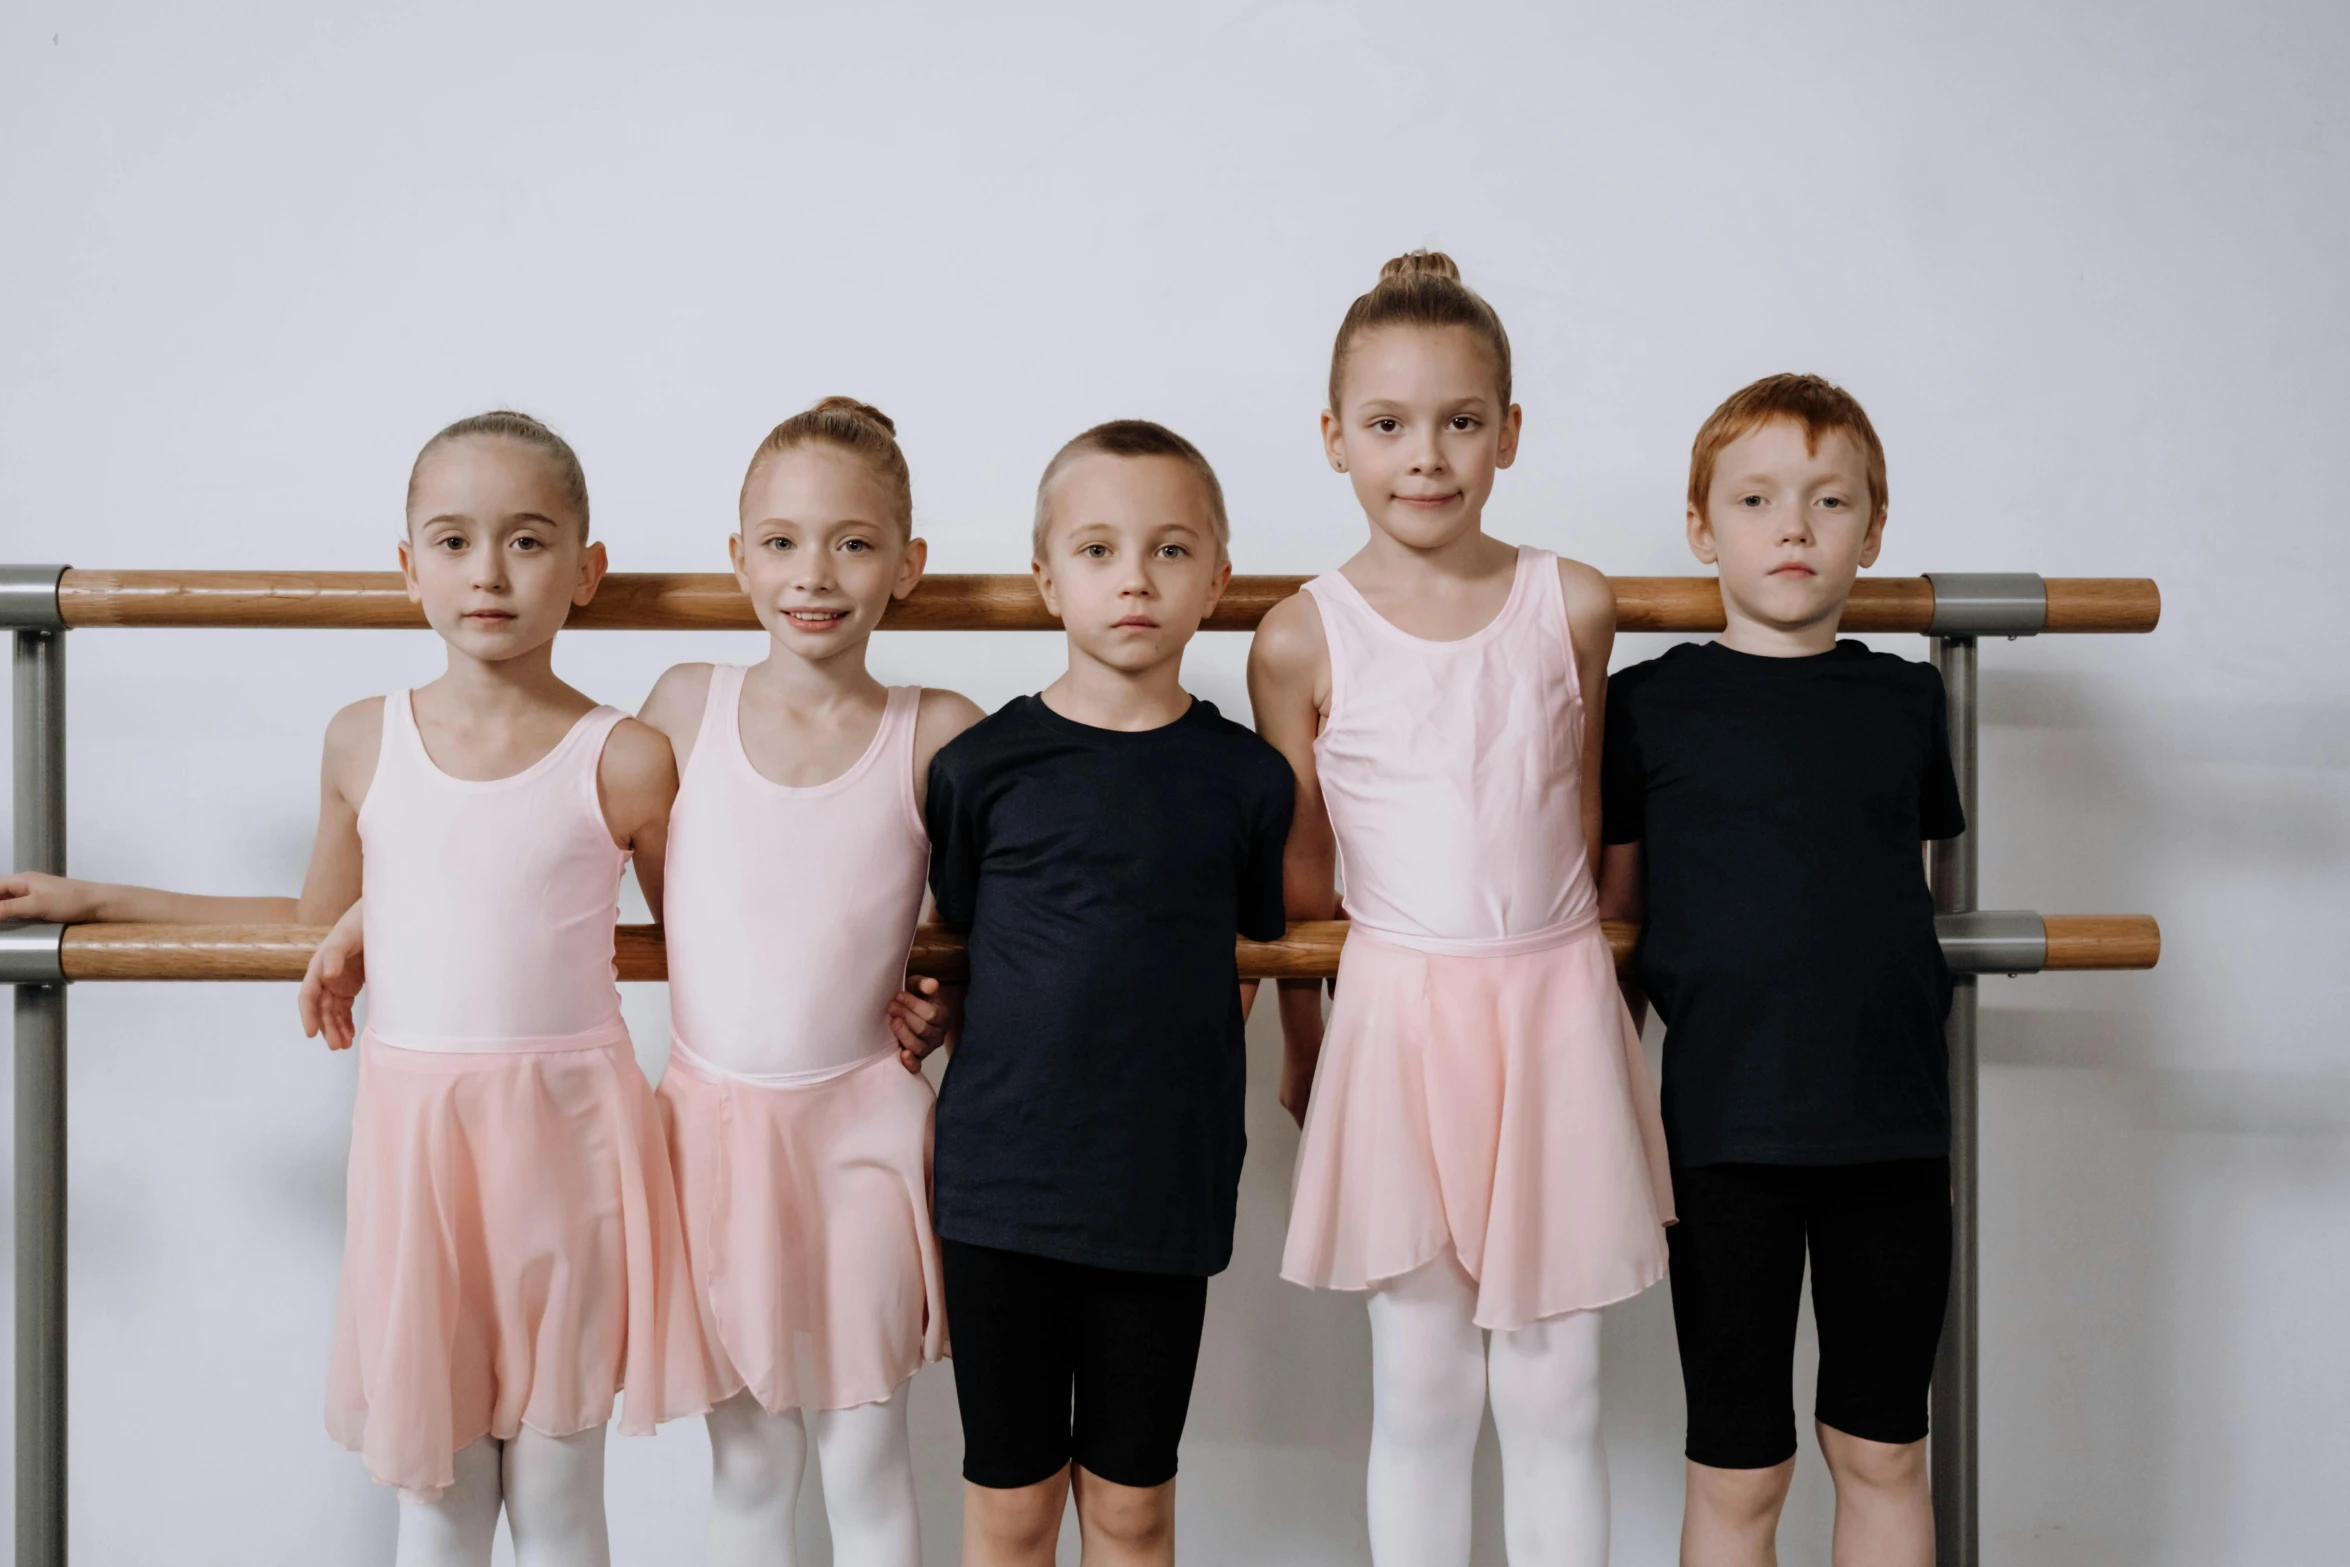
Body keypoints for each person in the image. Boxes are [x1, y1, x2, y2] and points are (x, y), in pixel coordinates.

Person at [0, 411, 711, 1567]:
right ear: (408, 566)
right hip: (418, 1148)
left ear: (585, 571)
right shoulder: (362, 741)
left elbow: (710, 940)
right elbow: (299, 924)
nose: (488, 571)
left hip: (568, 1142)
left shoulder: (624, 756)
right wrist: (103, 897)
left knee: (559, 1489)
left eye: (527, 542)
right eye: (454, 540)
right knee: (431, 1494)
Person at [1254, 250, 1673, 1567]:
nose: (1422, 455)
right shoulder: (1299, 635)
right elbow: (1300, 866)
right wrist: (1305, 1032)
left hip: (1552, 1002)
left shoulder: (1573, 602)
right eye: (1385, 423)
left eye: (1458, 421)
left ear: (1507, 431)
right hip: (1396, 1009)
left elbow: (1601, 812)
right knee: (1423, 1386)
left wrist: (1610, 1013)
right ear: (1333, 437)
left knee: (1556, 1386)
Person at [914, 420, 1294, 1567]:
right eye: (1096, 550)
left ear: (1216, 579)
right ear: (1046, 578)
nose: (1134, 578)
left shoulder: (1246, 779)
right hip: (1002, 1189)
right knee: (1014, 1506)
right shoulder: (981, 769)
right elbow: (961, 947)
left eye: (1170, 550)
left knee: (1131, 1509)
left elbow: (1234, 971)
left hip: (1159, 1190)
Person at [1598, 373, 1963, 1567]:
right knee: (1738, 1465)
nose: (1793, 527)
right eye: (1755, 499)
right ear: (1702, 526)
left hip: (1893, 1133)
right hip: (1722, 1138)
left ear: (1874, 526)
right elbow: (1617, 924)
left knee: (1882, 1452)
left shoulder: (1908, 701)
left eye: (1827, 500)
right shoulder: (1645, 709)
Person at [636, 397, 979, 1567]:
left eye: (852, 541)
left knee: (866, 1454)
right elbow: (590, 866)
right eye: (780, 541)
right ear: (737, 558)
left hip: (860, 1132)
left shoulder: (935, 731)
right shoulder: (686, 707)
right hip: (710, 1131)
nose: (813, 574)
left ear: (907, 565)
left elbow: (1002, 916)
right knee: (748, 1464)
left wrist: (951, 992)